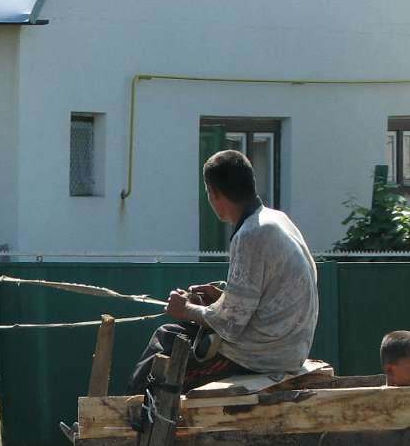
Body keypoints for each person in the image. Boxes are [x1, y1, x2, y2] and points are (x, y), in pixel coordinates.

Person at [129, 150, 319, 395]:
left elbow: (229, 325)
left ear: (213, 192)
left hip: (263, 357)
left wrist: (184, 309)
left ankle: (128, 417)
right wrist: (220, 298)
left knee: (167, 338)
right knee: (180, 334)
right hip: (290, 349)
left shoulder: (251, 235)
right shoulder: (277, 220)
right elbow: (260, 301)